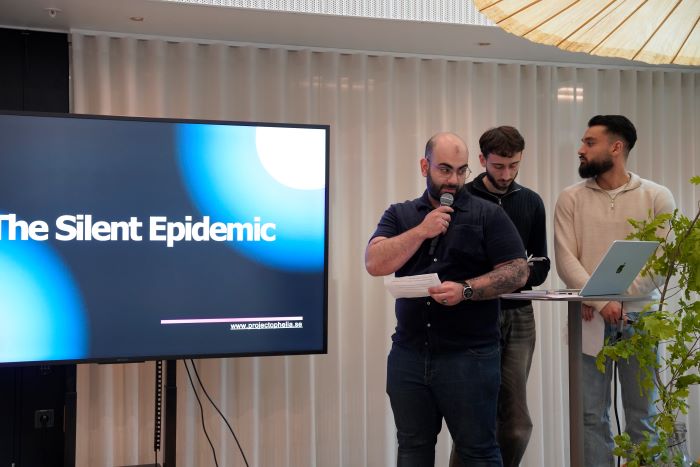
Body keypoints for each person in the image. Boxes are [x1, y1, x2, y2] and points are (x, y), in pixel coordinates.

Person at [365, 131, 529, 466]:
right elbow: (374, 262)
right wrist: (422, 231)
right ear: (424, 166)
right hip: (409, 354)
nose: (453, 180)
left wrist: (466, 289)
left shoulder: (488, 215)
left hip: (470, 357)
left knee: (478, 451)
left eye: (461, 170)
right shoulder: (400, 214)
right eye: (444, 169)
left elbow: (517, 272)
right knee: (412, 448)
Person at [553, 115, 676, 467]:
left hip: (641, 321)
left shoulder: (657, 196)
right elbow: (566, 260)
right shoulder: (570, 198)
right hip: (588, 319)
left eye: (589, 142)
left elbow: (662, 261)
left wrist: (614, 301)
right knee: (590, 416)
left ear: (616, 147)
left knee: (643, 416)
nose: (581, 149)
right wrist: (602, 302)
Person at [448, 126, 550, 467]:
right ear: (482, 160)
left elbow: (542, 264)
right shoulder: (462, 199)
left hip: (519, 314)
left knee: (517, 425)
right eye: (498, 166)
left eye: (514, 166)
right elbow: (452, 262)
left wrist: (509, 277)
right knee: (476, 421)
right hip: (474, 314)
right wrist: (505, 276)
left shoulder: (531, 202)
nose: (506, 174)